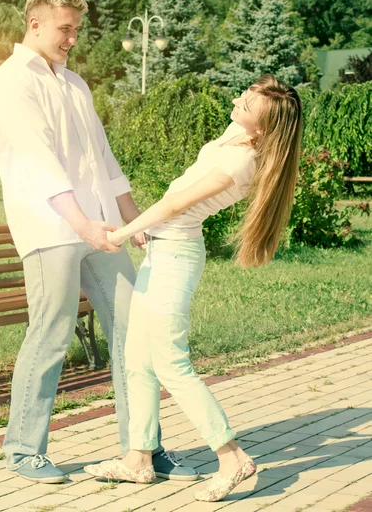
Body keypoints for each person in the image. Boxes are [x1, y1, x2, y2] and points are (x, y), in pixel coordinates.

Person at [0, 0, 198, 484]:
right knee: (51, 334)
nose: (72, 38)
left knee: (133, 333)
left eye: (76, 29)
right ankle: (22, 451)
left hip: (100, 229)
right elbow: (39, 165)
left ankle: (142, 448)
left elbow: (102, 160)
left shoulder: (75, 84)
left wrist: (133, 219)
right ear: (35, 23)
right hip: (51, 229)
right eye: (65, 28)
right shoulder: (11, 82)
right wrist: (83, 223)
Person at [85, 74, 303, 502]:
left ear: (262, 129)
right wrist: (264, 97)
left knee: (170, 363)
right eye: (244, 94)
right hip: (162, 252)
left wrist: (121, 232)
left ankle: (232, 457)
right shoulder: (238, 135)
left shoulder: (239, 164)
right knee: (137, 359)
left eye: (247, 105)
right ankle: (138, 460)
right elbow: (172, 202)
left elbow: (173, 204)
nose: (237, 101)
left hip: (176, 259)